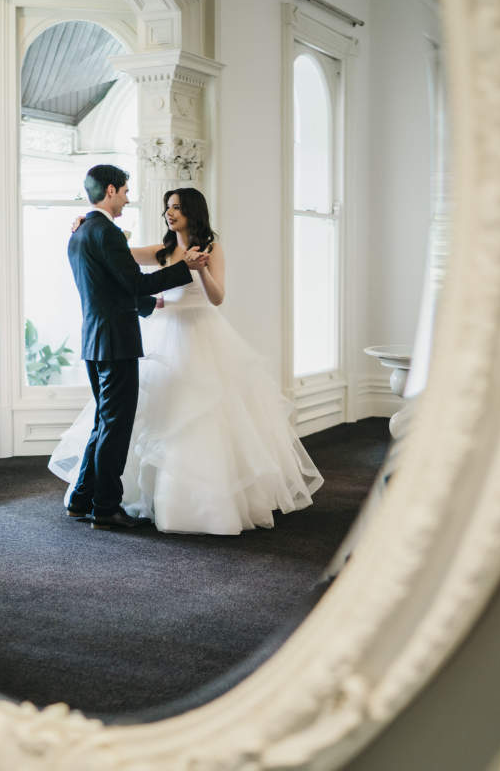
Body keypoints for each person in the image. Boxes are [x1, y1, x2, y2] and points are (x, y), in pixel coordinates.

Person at [50, 187, 324, 535]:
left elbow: (218, 297)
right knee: (136, 418)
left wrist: (201, 270)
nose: (170, 213)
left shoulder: (212, 248)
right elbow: (115, 255)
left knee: (201, 415)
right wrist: (86, 221)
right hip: (161, 340)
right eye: (168, 207)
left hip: (201, 335)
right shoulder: (161, 251)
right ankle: (111, 498)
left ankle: (196, 503)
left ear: (192, 211)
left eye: (177, 207)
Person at [61, 165, 210, 529]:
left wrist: (148, 305)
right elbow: (133, 283)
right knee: (116, 425)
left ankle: (82, 499)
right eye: (126, 191)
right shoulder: (105, 232)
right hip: (116, 343)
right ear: (111, 190)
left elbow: (109, 287)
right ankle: (106, 507)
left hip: (95, 342)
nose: (128, 198)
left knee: (103, 421)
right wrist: (185, 268)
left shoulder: (79, 233)